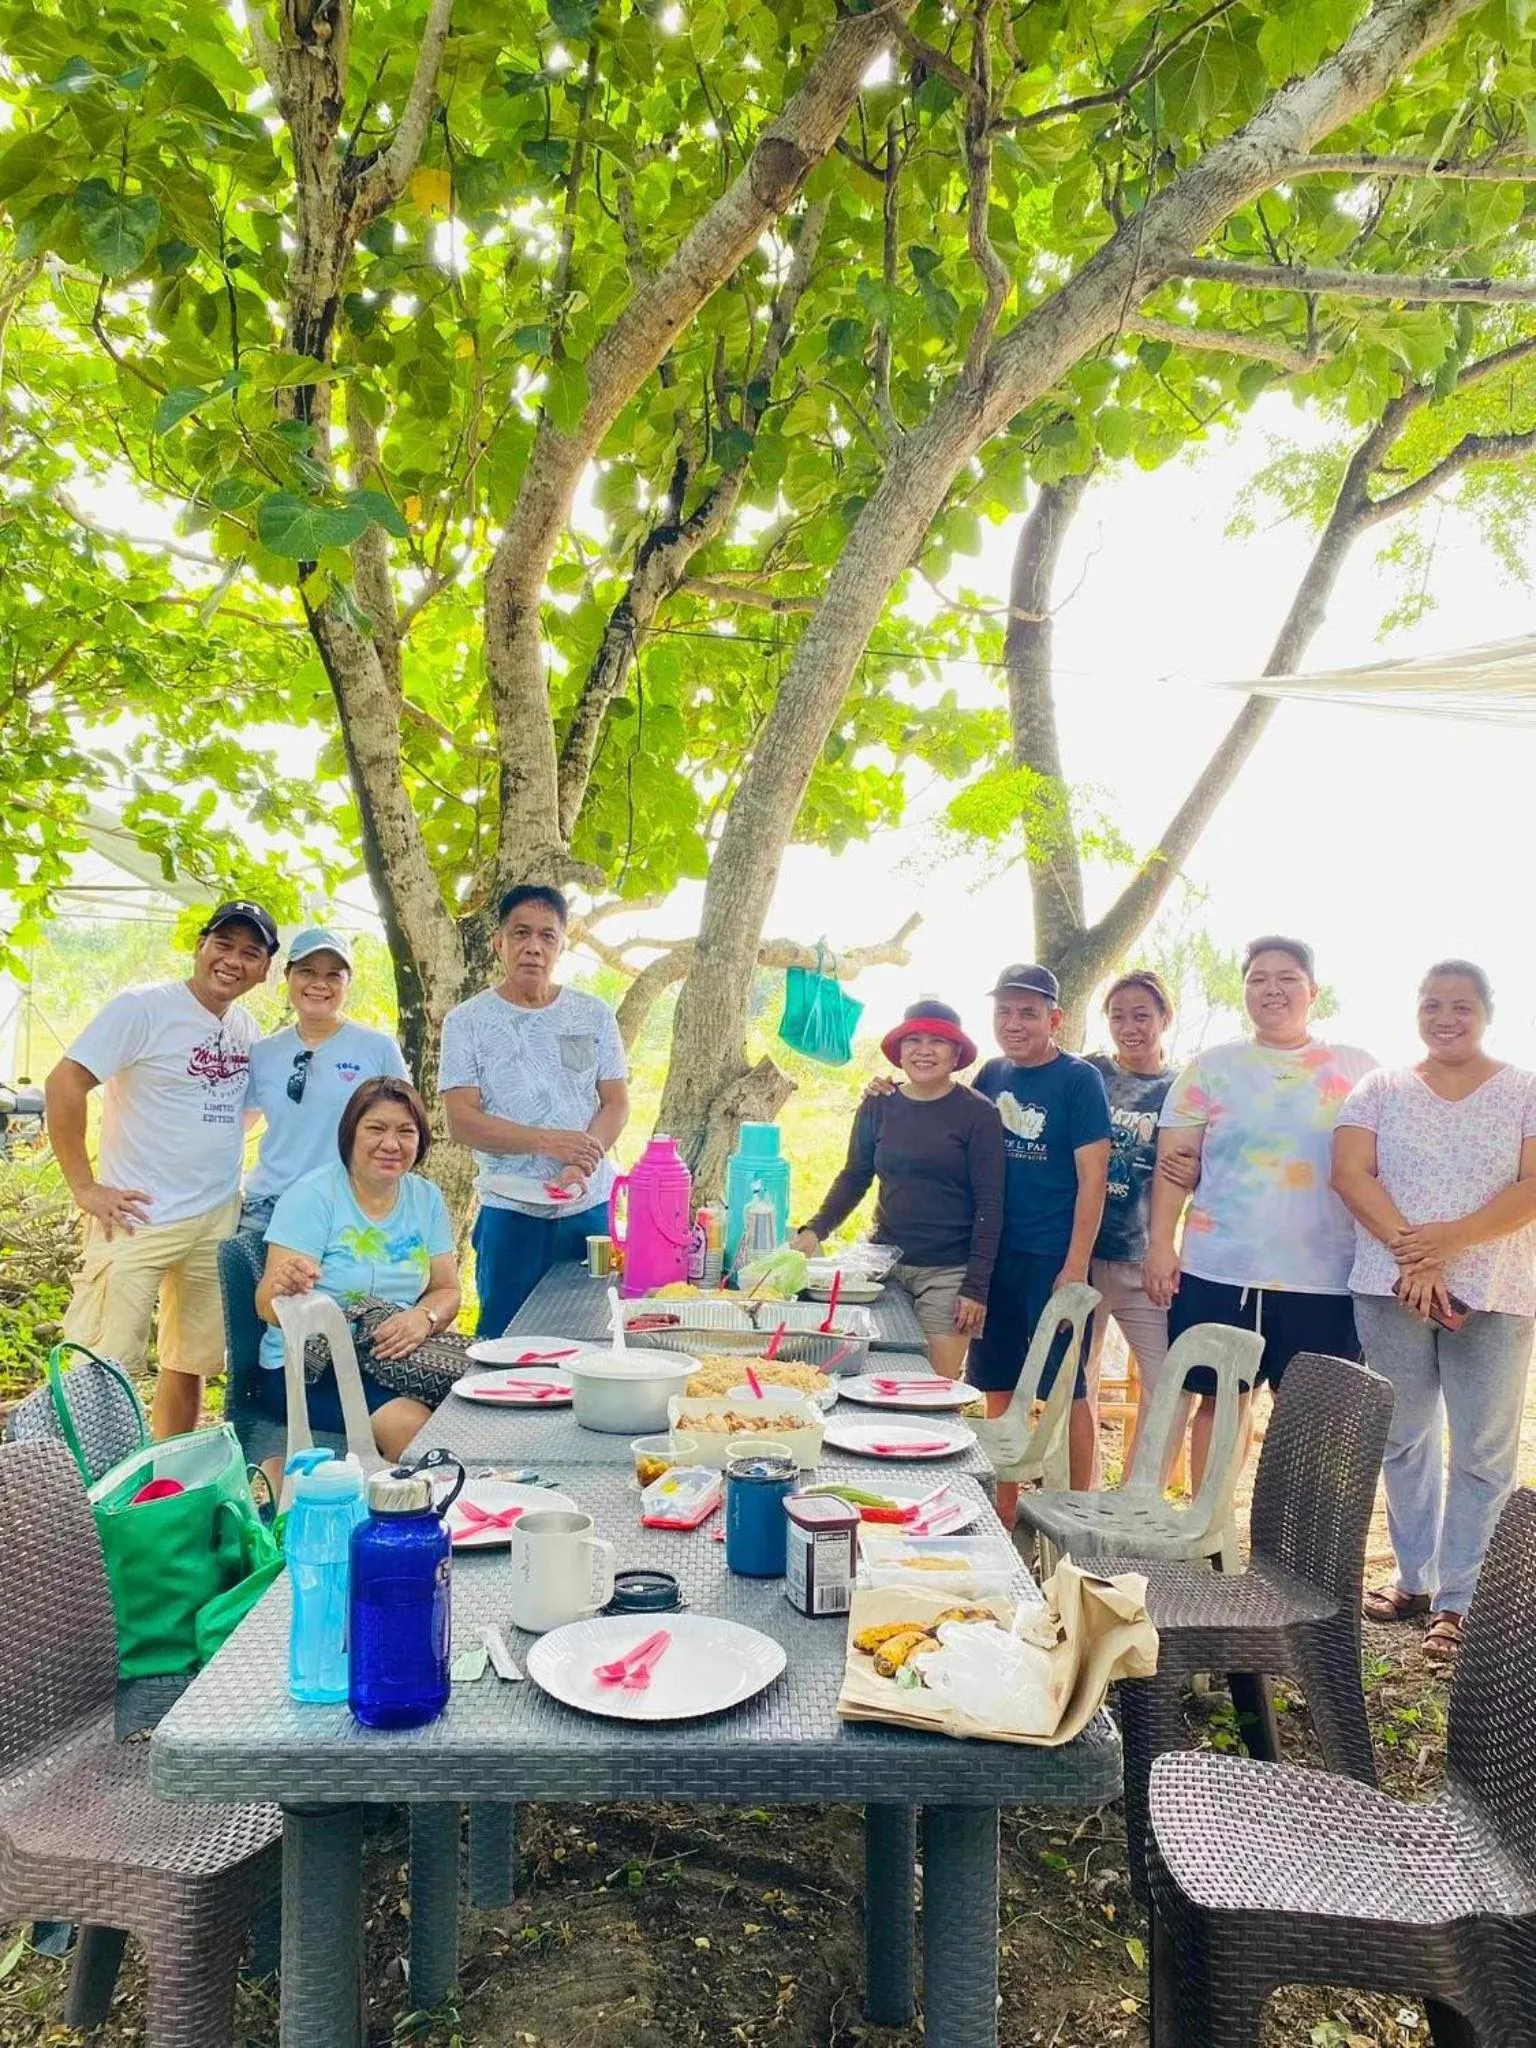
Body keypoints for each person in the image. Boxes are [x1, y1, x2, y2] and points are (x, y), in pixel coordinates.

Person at [1333, 960, 1536, 1662]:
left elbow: (1533, 1184)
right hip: (1391, 1287)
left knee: (1483, 1449)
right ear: (1415, 1010)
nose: (1446, 1017)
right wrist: (1415, 1257)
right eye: (1432, 1004)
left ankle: (1462, 1600)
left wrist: (1451, 1243)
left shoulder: (1525, 1089)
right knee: (1404, 1434)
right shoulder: (1380, 1087)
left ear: (1486, 1012)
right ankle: (1415, 1579)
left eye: (1461, 1005)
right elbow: (1350, 1172)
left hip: (1497, 1289)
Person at [1145, 935, 1375, 1485]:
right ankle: (1208, 1532)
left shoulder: (1358, 1068)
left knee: (1312, 1419)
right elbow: (1175, 1166)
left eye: (1287, 977)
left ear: (1312, 990)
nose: (1271, 989)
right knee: (1220, 1404)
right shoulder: (1211, 1068)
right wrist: (1161, 1245)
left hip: (1324, 1276)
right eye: (1257, 979)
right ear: (1243, 991)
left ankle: (1296, 1550)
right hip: (1220, 1267)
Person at [46, 900, 278, 1439]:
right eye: (223, 945)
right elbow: (65, 1082)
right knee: (102, 1365)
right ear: (200, 946)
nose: (233, 961)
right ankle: (89, 1493)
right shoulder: (143, 1009)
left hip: (215, 1217)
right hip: (135, 1217)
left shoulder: (247, 1028)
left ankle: (161, 1482)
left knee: (190, 1361)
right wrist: (84, 1185)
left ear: (265, 969)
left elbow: (240, 1111)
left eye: (250, 953)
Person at [441, 885, 630, 1337]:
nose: (533, 947)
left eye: (547, 936)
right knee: (505, 1339)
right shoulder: (466, 1021)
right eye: (520, 933)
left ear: (562, 944)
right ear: (498, 942)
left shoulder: (593, 1014)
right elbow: (461, 1119)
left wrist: (581, 1159)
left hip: (588, 1205)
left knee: (592, 1333)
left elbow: (616, 1102)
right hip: (510, 1209)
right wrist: (546, 1141)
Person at [792, 1001, 1005, 1379]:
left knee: (933, 1386)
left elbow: (991, 1203)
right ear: (900, 1051)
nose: (924, 1050)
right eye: (914, 1040)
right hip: (883, 1267)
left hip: (949, 1273)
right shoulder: (878, 1105)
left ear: (956, 1053)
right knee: (879, 1375)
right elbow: (855, 1176)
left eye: (938, 1041)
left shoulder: (978, 1113)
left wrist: (975, 1287)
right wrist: (815, 1229)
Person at [254, 1077, 462, 1463]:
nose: (391, 1144)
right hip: (307, 1369)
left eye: (406, 1131)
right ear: (350, 1133)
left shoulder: (425, 1198)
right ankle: (391, 1517)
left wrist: (423, 1316)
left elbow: (448, 1289)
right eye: (376, 1129)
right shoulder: (313, 1197)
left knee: (481, 1405)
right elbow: (266, 1304)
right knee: (412, 1428)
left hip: (394, 1359)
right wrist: (285, 1288)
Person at [969, 964, 1111, 1505]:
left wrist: (1075, 1267)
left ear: (1055, 1018)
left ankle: (1078, 1510)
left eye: (1028, 1012)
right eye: (1004, 1011)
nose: (1014, 1022)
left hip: (1053, 1257)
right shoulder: (991, 1075)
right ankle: (1003, 1511)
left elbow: (1092, 1179)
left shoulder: (1078, 1080)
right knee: (997, 1383)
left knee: (1065, 1389)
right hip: (995, 1259)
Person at [240, 925, 409, 1236]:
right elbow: (237, 1126)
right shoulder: (264, 1052)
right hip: (268, 1208)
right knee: (254, 1287)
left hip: (345, 1209)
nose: (320, 984)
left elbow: (406, 1131)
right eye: (307, 971)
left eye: (334, 975)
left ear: (348, 983)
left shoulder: (378, 1049)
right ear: (287, 976)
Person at [1084, 970, 1178, 1477]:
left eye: (1142, 1015)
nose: (1129, 1026)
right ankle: (1086, 1493)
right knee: (1078, 1379)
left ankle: (1142, 1497)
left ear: (1165, 1019)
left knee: (1168, 1379)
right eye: (1118, 1015)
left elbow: (1193, 1162)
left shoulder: (1180, 1088)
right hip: (1082, 1254)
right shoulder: (1089, 1073)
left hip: (1144, 1261)